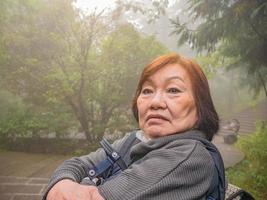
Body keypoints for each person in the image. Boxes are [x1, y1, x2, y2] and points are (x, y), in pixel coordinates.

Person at [43, 53, 225, 200]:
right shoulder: (135, 140)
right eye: (147, 91)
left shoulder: (188, 157)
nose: (155, 102)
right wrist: (63, 181)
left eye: (173, 90)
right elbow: (78, 163)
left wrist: (73, 185)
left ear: (200, 107)